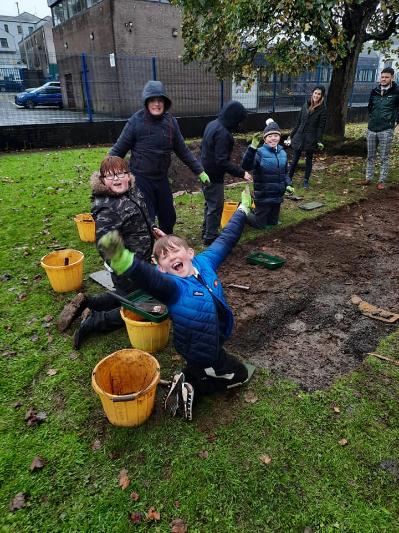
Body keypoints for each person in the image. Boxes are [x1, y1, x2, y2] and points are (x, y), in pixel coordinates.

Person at [97, 188, 253, 421]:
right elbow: (147, 277)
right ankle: (197, 388)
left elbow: (227, 238)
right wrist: (123, 260)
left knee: (200, 368)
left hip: (202, 341)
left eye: (175, 251)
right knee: (239, 374)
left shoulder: (206, 262)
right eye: (164, 258)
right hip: (203, 349)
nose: (171, 258)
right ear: (161, 268)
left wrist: (242, 209)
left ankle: (189, 377)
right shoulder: (171, 288)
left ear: (190, 253)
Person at [58, 156, 162, 349]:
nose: (117, 179)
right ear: (103, 180)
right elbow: (107, 246)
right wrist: (132, 268)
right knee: (140, 306)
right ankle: (95, 322)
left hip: (142, 261)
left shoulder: (132, 191)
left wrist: (153, 229)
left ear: (128, 175)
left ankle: (90, 303)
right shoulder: (107, 207)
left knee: (127, 294)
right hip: (128, 269)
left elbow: (143, 215)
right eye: (110, 175)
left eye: (121, 173)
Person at [109, 80, 209, 234]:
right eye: (152, 100)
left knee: (168, 217)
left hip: (161, 178)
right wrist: (105, 173)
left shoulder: (171, 122)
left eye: (160, 100)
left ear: (165, 103)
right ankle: (148, 249)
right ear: (146, 102)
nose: (156, 104)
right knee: (147, 217)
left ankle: (166, 245)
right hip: (141, 178)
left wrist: (200, 171)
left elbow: (183, 150)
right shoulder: (136, 122)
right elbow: (118, 150)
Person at [200, 100, 252, 245]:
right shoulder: (223, 134)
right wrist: (241, 173)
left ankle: (206, 231)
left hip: (204, 171)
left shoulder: (212, 124)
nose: (239, 125)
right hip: (213, 176)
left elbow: (203, 146)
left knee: (209, 204)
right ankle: (210, 238)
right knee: (216, 206)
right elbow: (221, 161)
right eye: (239, 121)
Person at [241, 118, 294, 229]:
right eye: (269, 136)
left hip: (277, 196)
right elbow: (246, 166)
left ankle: (264, 215)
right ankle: (243, 212)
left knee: (273, 223)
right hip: (264, 196)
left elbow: (285, 172)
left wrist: (288, 184)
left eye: (275, 135)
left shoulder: (283, 153)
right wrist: (252, 148)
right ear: (265, 139)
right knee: (259, 224)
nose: (273, 138)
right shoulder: (259, 152)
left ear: (279, 137)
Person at [361, 67, 399, 190]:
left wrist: (394, 123)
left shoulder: (397, 92)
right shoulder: (375, 91)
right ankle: (368, 178)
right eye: (382, 77)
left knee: (384, 157)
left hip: (386, 129)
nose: (383, 79)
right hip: (372, 128)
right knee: (370, 156)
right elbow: (370, 107)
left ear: (392, 78)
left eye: (386, 77)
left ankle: (381, 180)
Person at [284, 85, 327, 188]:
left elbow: (321, 127)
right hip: (299, 135)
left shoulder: (323, 109)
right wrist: (291, 135)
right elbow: (298, 122)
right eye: (315, 93)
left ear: (322, 96)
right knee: (295, 159)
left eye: (319, 94)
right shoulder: (305, 105)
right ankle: (289, 179)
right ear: (312, 93)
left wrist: (319, 140)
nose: (316, 95)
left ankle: (306, 181)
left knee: (309, 160)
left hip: (311, 138)